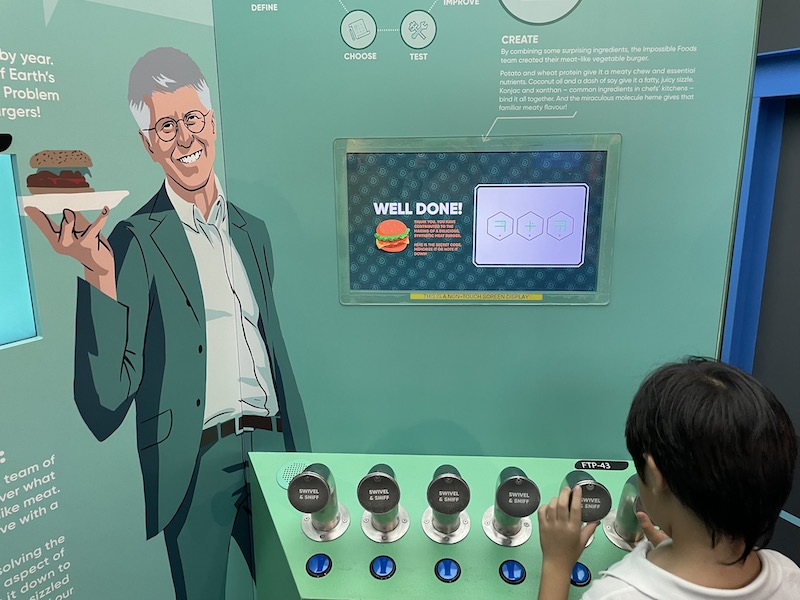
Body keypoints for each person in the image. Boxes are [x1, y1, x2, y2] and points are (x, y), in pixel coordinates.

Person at [25, 47, 310, 599]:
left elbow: (273, 351)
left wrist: (301, 454)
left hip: (274, 450)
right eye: (166, 127)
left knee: (297, 590)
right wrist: (98, 274)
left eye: (192, 119)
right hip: (193, 464)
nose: (184, 138)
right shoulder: (134, 241)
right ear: (148, 143)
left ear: (213, 123)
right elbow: (106, 401)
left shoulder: (253, 232)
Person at [537, 357, 800, 599]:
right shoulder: (790, 576)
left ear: (655, 475)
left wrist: (557, 564)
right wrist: (679, 547)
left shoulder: (615, 594)